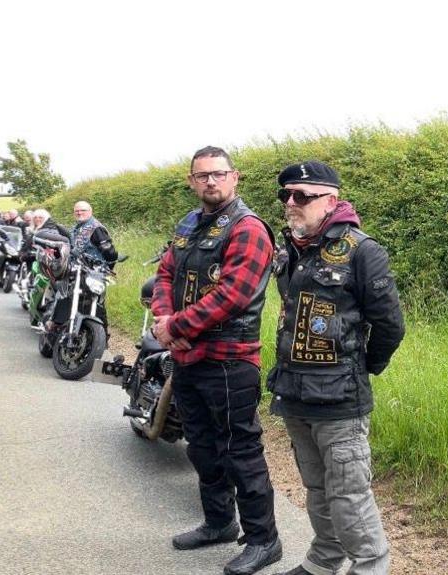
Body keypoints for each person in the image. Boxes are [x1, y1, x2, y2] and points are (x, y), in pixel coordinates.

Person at [267, 161, 405, 575]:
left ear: (330, 200)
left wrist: (362, 368)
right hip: (293, 394)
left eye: (302, 196)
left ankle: (370, 566)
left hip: (340, 400)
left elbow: (390, 326)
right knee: (317, 491)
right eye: (286, 195)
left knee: (349, 496)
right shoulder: (290, 247)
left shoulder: (362, 250)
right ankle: (323, 561)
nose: (291, 203)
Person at [151, 146, 282, 575]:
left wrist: (176, 329)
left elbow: (233, 296)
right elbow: (166, 273)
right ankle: (220, 521)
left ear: (234, 177)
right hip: (188, 358)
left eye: (218, 174)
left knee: (240, 452)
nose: (210, 181)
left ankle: (265, 540)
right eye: (201, 175)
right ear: (191, 181)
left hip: (230, 361)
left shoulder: (248, 229)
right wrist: (164, 317)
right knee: (202, 447)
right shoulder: (188, 224)